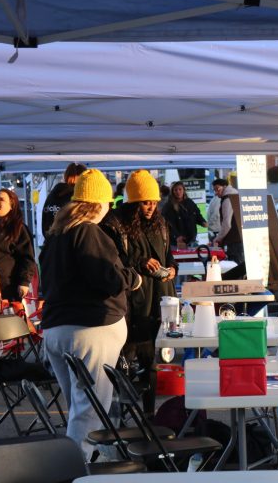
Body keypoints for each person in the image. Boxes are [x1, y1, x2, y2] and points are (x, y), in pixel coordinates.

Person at [40, 168, 141, 453]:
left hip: (57, 330)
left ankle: (87, 463)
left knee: (79, 408)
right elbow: (109, 277)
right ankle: (75, 470)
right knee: (89, 411)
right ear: (98, 204)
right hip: (90, 329)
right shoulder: (87, 232)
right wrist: (133, 278)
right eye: (109, 203)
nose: (110, 209)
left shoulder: (56, 235)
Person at [101, 169, 177, 417]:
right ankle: (123, 411)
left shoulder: (161, 223)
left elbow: (168, 255)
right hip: (130, 303)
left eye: (154, 202)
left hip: (159, 299)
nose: (151, 207)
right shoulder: (114, 224)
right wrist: (140, 263)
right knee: (127, 358)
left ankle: (149, 414)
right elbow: (112, 264)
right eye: (145, 202)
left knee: (151, 361)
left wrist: (172, 268)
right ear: (133, 202)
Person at [0, 189, 36, 302]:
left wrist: (24, 282)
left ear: (12, 206)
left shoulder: (18, 229)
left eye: (1, 199)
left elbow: (27, 258)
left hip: (7, 287)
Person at [41, 162, 86, 239]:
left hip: (51, 242)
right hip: (69, 244)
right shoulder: (76, 196)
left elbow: (45, 221)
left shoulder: (52, 195)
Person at [161, 181, 206, 248]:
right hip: (176, 242)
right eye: (175, 190)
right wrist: (176, 236)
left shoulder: (190, 202)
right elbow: (167, 224)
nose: (178, 192)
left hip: (191, 240)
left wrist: (203, 222)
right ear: (172, 192)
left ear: (184, 190)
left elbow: (197, 215)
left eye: (180, 189)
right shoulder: (168, 206)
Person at [212, 178, 243, 264]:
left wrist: (218, 238)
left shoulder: (227, 199)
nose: (216, 192)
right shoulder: (235, 195)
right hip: (239, 237)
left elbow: (227, 223)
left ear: (224, 186)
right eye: (214, 190)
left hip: (234, 239)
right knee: (240, 263)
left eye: (217, 189)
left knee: (235, 265)